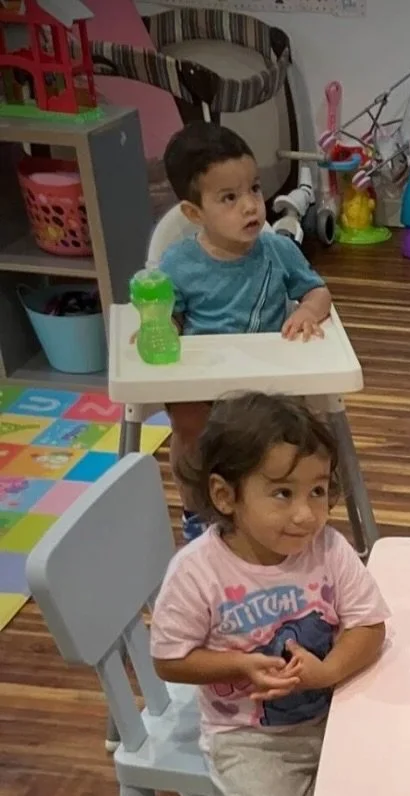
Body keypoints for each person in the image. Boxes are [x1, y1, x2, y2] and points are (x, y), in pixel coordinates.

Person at [150, 393, 389, 796]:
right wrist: (239, 664)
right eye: (283, 493)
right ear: (225, 496)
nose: (306, 514)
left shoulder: (328, 548)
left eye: (317, 491)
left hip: (337, 715)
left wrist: (330, 671)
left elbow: (369, 624)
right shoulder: (197, 572)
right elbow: (169, 660)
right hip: (247, 737)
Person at [158, 123, 332, 542]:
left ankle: (287, 502)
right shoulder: (178, 264)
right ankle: (198, 508)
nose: (251, 206)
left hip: (270, 381)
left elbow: (318, 291)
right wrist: (160, 328)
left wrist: (308, 311)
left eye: (254, 189)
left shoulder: (278, 251)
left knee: (306, 427)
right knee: (185, 421)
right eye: (229, 198)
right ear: (194, 213)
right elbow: (167, 317)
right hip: (206, 384)